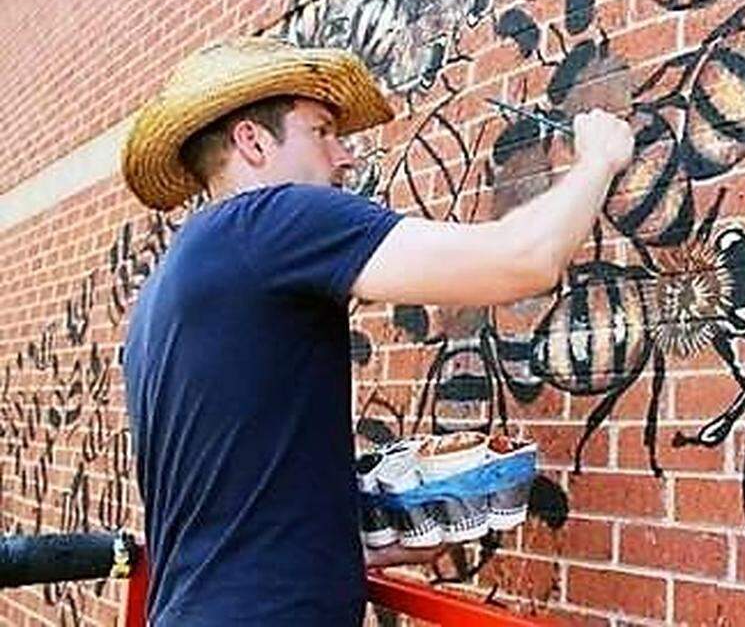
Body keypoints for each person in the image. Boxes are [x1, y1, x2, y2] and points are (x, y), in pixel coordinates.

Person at [119, 37, 634, 625]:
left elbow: (231, 503)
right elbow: (523, 259)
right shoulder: (271, 220)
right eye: (320, 131)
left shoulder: (167, 287)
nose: (345, 156)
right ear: (253, 141)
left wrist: (354, 542)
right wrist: (598, 160)